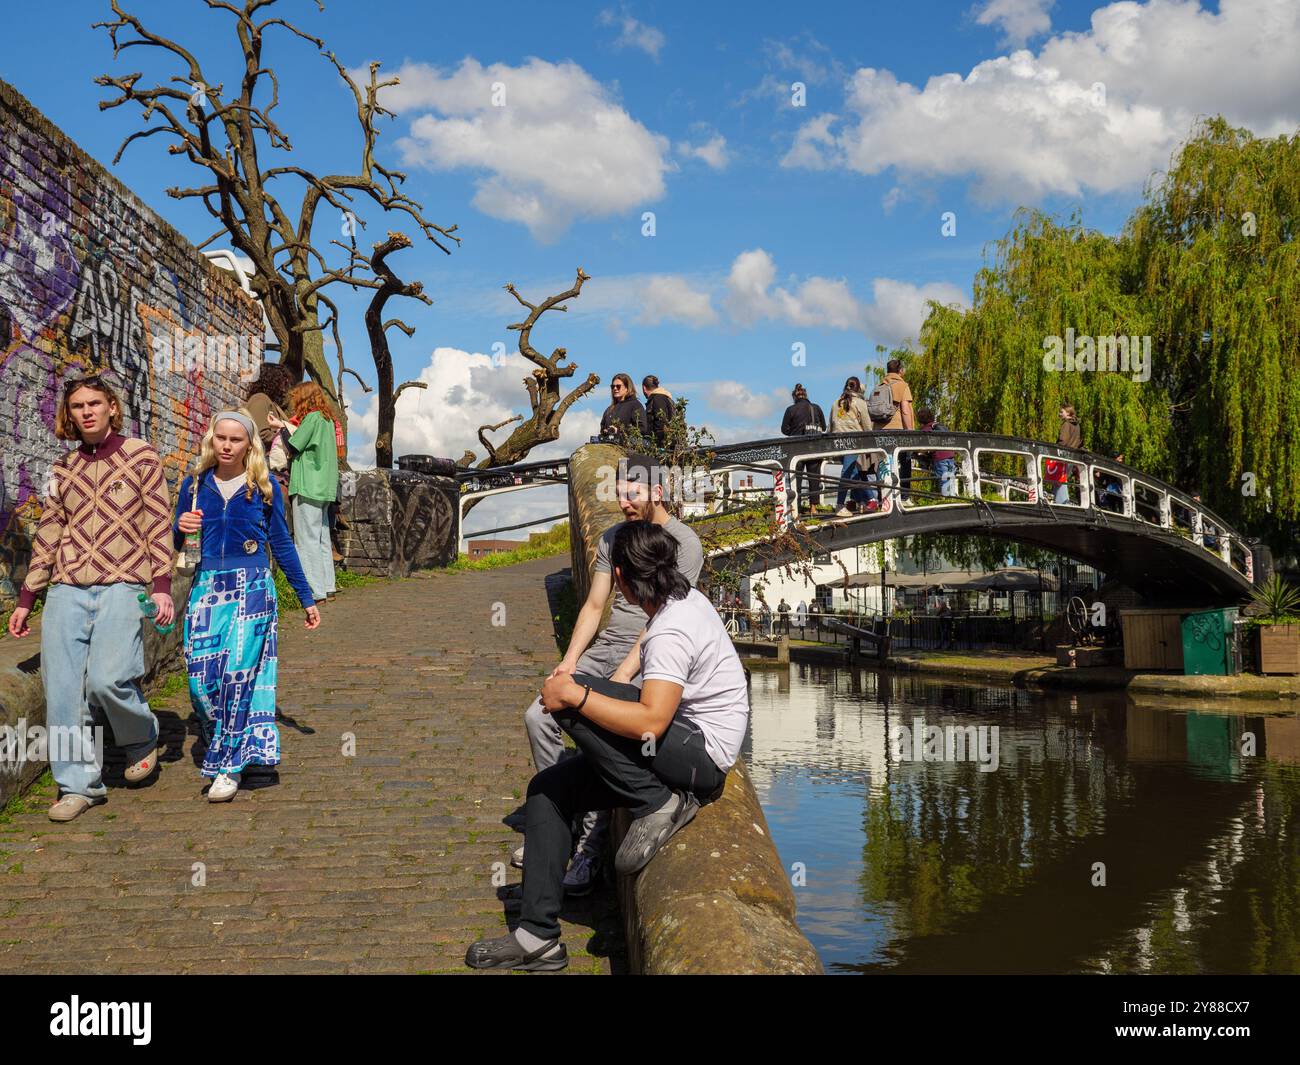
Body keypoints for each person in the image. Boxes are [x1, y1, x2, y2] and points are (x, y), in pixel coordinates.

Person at [466, 521, 749, 971]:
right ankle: (537, 935)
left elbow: (653, 721)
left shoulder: (672, 629)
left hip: (701, 759)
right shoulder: (680, 599)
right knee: (548, 790)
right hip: (679, 743)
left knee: (569, 702)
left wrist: (576, 696)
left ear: (619, 580)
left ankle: (657, 802)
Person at [519, 454, 703, 894]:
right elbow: (594, 606)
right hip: (604, 649)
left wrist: (624, 673)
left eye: (632, 493)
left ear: (657, 492)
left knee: (610, 736)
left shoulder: (684, 543)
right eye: (619, 492)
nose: (623, 502)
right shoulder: (613, 537)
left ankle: (588, 848)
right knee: (538, 713)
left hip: (651, 655)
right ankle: (560, 820)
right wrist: (570, 662)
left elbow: (663, 621)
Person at [7, 376, 174, 822]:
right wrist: (28, 596)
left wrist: (161, 585)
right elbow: (49, 531)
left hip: (124, 582)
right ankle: (78, 785)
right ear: (70, 414)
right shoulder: (63, 469)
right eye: (78, 405)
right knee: (62, 689)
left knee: (108, 679)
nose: (86, 411)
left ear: (112, 407)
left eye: (94, 403)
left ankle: (141, 735)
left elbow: (159, 521)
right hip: (67, 586)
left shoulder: (141, 456)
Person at [173, 411, 321, 801]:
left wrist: (306, 597)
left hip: (253, 588)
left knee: (239, 674)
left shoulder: (264, 486)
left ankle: (229, 766)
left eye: (235, 439)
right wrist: (181, 527)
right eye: (220, 437)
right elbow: (173, 540)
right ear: (211, 440)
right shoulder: (193, 485)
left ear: (249, 445)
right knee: (202, 683)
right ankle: (228, 738)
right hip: (206, 587)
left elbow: (283, 545)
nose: (226, 445)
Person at [284, 381, 340, 604]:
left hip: (308, 485)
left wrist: (281, 426)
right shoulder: (328, 421)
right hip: (325, 488)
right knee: (322, 539)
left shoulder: (312, 418)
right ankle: (328, 586)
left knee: (306, 541)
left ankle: (314, 592)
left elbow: (294, 444)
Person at [868, 359, 914, 499]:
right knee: (904, 461)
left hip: (879, 430)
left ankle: (885, 496)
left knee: (884, 462)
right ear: (901, 370)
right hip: (897, 430)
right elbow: (905, 410)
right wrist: (911, 432)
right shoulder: (902, 385)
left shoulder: (879, 386)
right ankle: (904, 497)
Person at [829, 376, 872, 516]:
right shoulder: (860, 402)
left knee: (852, 472)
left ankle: (866, 500)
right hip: (853, 441)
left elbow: (831, 425)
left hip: (837, 441)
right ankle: (840, 505)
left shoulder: (836, 402)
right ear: (858, 388)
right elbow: (867, 426)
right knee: (847, 472)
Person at [781, 384, 827, 510]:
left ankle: (797, 507)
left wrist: (794, 432)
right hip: (814, 447)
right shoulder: (816, 408)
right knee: (814, 478)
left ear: (794, 397)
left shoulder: (790, 409)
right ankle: (813, 507)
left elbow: (784, 429)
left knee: (796, 479)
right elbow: (824, 427)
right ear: (806, 395)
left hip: (796, 449)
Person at [916, 408, 958, 497]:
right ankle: (952, 496)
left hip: (940, 457)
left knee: (944, 479)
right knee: (950, 478)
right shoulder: (939, 425)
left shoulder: (926, 429)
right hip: (950, 455)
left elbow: (924, 446)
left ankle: (947, 499)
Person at [600, 373, 649, 444]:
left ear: (627, 388)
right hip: (608, 449)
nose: (615, 388)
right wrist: (605, 432)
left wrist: (619, 431)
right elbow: (602, 427)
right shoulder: (609, 410)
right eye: (612, 386)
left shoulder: (635, 405)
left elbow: (642, 429)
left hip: (628, 450)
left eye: (618, 386)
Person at [641, 376, 675, 448]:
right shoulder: (666, 398)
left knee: (632, 441)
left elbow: (660, 424)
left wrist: (657, 445)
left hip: (658, 445)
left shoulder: (658, 399)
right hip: (666, 443)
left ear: (644, 388)